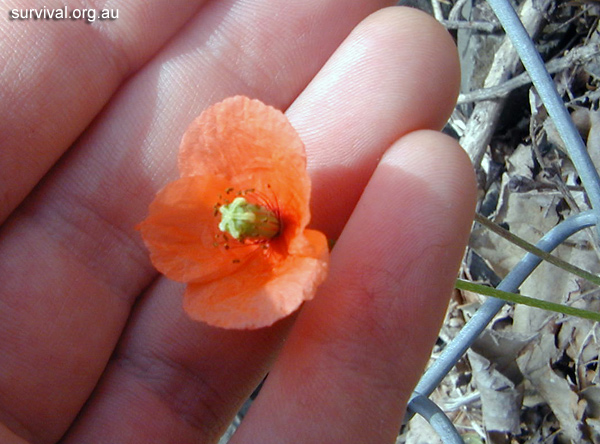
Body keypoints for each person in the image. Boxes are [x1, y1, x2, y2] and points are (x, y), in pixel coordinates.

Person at [0, 2, 476, 443]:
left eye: (238, 213)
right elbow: (175, 235)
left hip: (293, 225)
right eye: (235, 216)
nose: (237, 215)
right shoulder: (225, 232)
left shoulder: (277, 202)